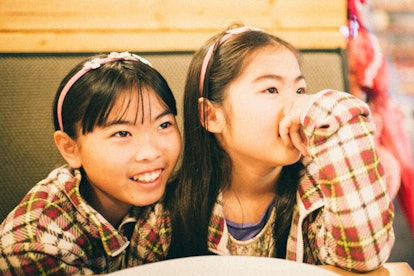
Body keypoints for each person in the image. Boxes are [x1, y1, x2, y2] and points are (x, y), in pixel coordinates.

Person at [164, 25, 395, 272]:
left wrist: (334, 108)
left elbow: (364, 255)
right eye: (271, 89)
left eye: (300, 90)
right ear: (211, 116)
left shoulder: (317, 196)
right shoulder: (167, 211)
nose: (295, 105)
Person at [0, 51, 182, 275]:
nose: (151, 152)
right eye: (122, 133)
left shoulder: (179, 196)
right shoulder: (35, 244)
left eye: (163, 125)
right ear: (71, 148)